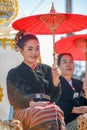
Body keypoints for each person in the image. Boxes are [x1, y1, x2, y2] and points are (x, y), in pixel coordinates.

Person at [6, 31, 66, 130]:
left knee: (56, 110)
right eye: (30, 49)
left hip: (47, 108)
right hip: (24, 109)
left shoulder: (47, 70)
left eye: (37, 48)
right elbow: (13, 99)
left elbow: (53, 98)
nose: (34, 53)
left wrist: (55, 83)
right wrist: (33, 104)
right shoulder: (14, 73)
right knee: (43, 112)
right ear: (21, 50)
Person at [56, 53, 87, 130]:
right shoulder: (55, 84)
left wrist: (86, 92)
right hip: (66, 124)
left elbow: (83, 102)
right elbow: (56, 102)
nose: (68, 64)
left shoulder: (79, 83)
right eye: (64, 62)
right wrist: (75, 109)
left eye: (71, 62)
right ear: (58, 66)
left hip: (82, 119)